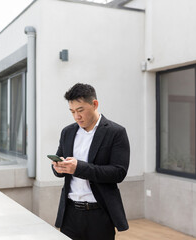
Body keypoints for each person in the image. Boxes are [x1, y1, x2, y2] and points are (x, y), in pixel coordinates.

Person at [51, 83, 130, 240]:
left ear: (95, 104)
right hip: (70, 214)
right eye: (72, 112)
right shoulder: (67, 132)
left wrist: (78, 168)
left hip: (99, 214)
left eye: (80, 110)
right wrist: (58, 168)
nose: (76, 116)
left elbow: (118, 172)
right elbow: (59, 162)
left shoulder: (116, 132)